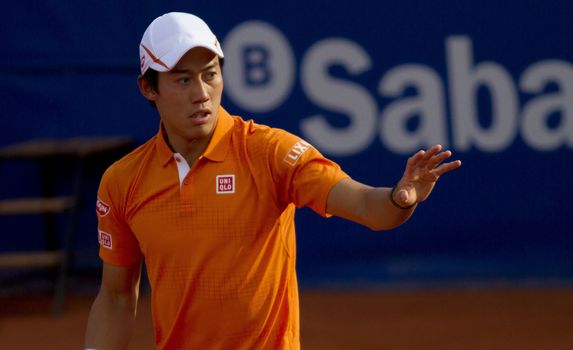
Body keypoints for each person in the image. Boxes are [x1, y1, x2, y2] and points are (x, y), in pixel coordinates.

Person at [84, 12, 461, 350]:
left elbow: (368, 207)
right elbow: (117, 297)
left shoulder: (269, 152)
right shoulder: (123, 182)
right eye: (183, 80)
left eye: (210, 74)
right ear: (149, 89)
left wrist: (401, 197)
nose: (201, 94)